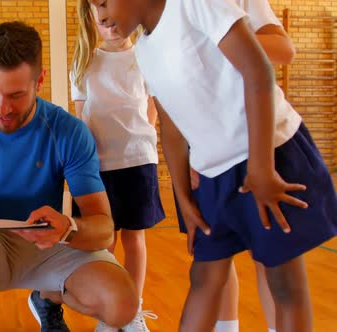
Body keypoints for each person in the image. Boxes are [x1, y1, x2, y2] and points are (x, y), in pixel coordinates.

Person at [89, 0, 337, 331]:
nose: (100, 14)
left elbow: (258, 70)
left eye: (103, 2)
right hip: (214, 173)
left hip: (269, 152)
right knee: (204, 276)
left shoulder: (193, 4)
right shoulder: (144, 51)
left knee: (283, 280)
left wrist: (262, 168)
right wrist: (186, 202)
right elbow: (171, 128)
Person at [0, 21, 138, 332]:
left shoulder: (69, 131)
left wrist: (69, 228)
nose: (3, 108)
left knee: (122, 306)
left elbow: (104, 230)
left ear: (40, 80)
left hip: (50, 245)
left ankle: (48, 297)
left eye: (16, 95)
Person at [70, 2, 163, 331]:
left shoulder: (145, 57)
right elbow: (80, 118)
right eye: (102, 18)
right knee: (104, 242)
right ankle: (110, 312)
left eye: (114, 18)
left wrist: (142, 138)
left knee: (134, 239)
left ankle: (132, 310)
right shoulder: (85, 62)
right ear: (91, 17)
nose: (109, 25)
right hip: (99, 167)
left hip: (138, 162)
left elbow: (152, 109)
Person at [211, 1, 296, 331]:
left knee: (270, 257)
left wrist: (224, 44)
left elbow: (284, 49)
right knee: (214, 260)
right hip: (207, 149)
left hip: (255, 140)